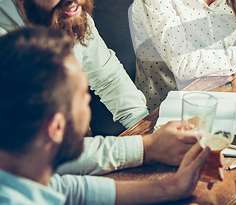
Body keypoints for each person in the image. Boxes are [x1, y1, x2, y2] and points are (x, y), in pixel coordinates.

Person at [0, 0, 196, 176]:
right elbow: (38, 157)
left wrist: (147, 128)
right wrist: (146, 147)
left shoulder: (69, 13)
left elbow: (108, 78)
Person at [0, 27, 212, 205]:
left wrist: (172, 187)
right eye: (84, 95)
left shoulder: (24, 174)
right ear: (56, 128)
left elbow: (72, 190)